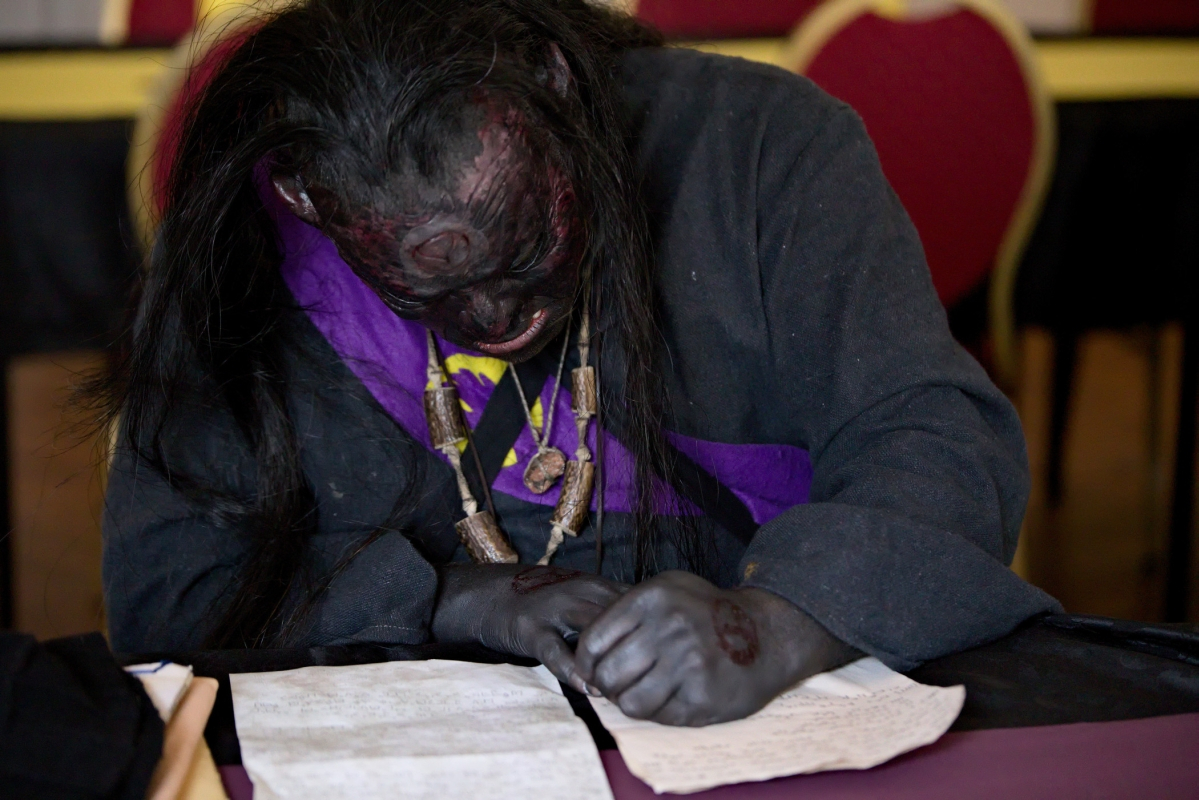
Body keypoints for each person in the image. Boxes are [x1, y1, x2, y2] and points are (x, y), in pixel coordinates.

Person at [101, 0, 1058, 726]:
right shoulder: (247, 250)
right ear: (309, 199)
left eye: (524, 255)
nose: (496, 320)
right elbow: (172, 593)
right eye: (428, 296)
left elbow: (938, 445)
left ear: (552, 85)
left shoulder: (759, 146)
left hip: (767, 730)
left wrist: (775, 624)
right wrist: (449, 597)